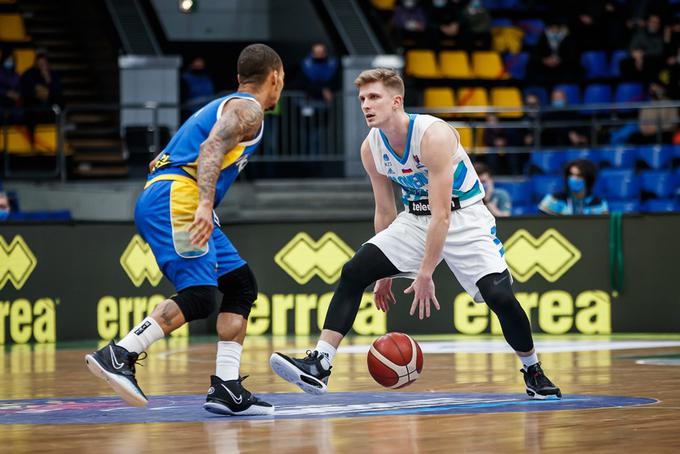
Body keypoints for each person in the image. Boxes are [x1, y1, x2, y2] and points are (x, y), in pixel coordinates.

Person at [270, 68, 561, 400]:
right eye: (362, 98)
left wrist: (425, 272)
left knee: (500, 297)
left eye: (374, 97)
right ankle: (320, 364)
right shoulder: (371, 148)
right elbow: (385, 211)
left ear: (396, 101)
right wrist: (384, 274)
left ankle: (532, 370)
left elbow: (442, 216)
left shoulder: (433, 135)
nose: (366, 105)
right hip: (415, 218)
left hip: (463, 216)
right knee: (355, 271)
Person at [85, 44, 285, 416]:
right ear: (275, 77)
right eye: (282, 81)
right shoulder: (249, 109)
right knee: (200, 296)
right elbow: (210, 149)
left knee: (240, 285)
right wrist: (205, 204)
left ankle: (226, 388)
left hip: (171, 191)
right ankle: (120, 353)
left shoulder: (222, 105)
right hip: (181, 196)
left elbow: (164, 158)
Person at [539, 159, 608, 215]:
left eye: (579, 175)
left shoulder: (599, 204)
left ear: (588, 179)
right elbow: (543, 225)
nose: (574, 178)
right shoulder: (552, 200)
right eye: (571, 175)